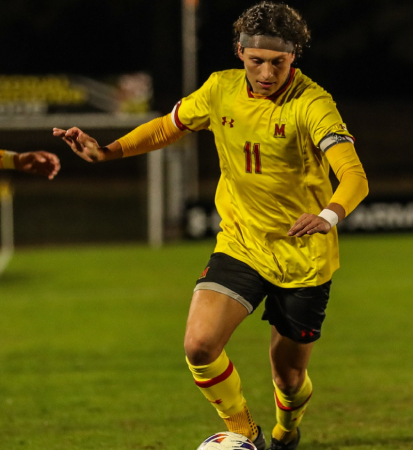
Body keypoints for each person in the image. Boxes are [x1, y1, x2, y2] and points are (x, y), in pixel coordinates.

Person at [53, 3, 368, 449]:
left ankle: (285, 430)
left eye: (277, 62)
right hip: (240, 243)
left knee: (290, 376)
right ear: (240, 51)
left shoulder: (312, 103)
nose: (266, 72)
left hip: (303, 256)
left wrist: (328, 215)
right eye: (256, 60)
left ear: (294, 57)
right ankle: (245, 433)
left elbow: (354, 176)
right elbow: (168, 126)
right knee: (199, 345)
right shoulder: (219, 88)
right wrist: (108, 151)